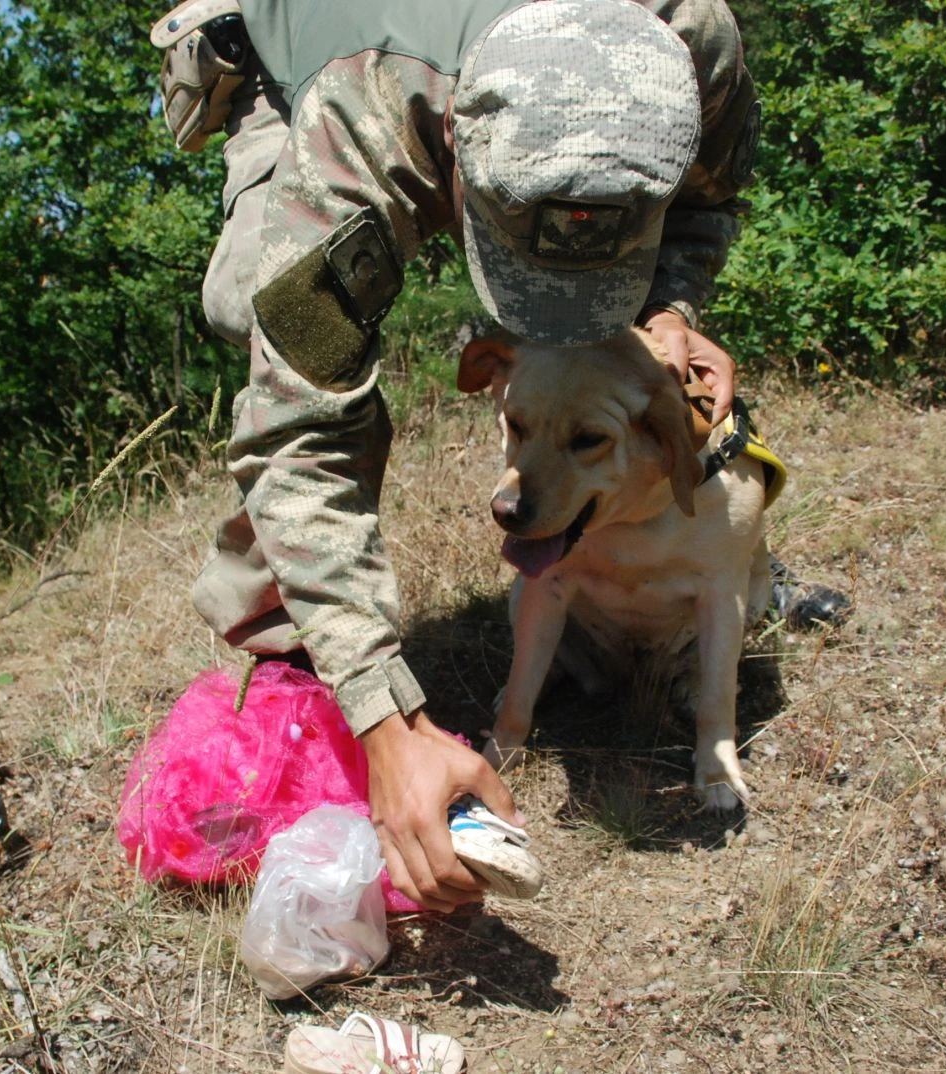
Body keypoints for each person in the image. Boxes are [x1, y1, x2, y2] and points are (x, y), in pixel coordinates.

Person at [152, 0, 763, 911]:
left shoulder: (692, 48)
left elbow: (709, 201)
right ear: (457, 155)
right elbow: (297, 429)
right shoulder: (360, 116)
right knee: (273, 331)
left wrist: (666, 309)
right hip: (309, 74)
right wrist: (386, 721)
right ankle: (294, 661)